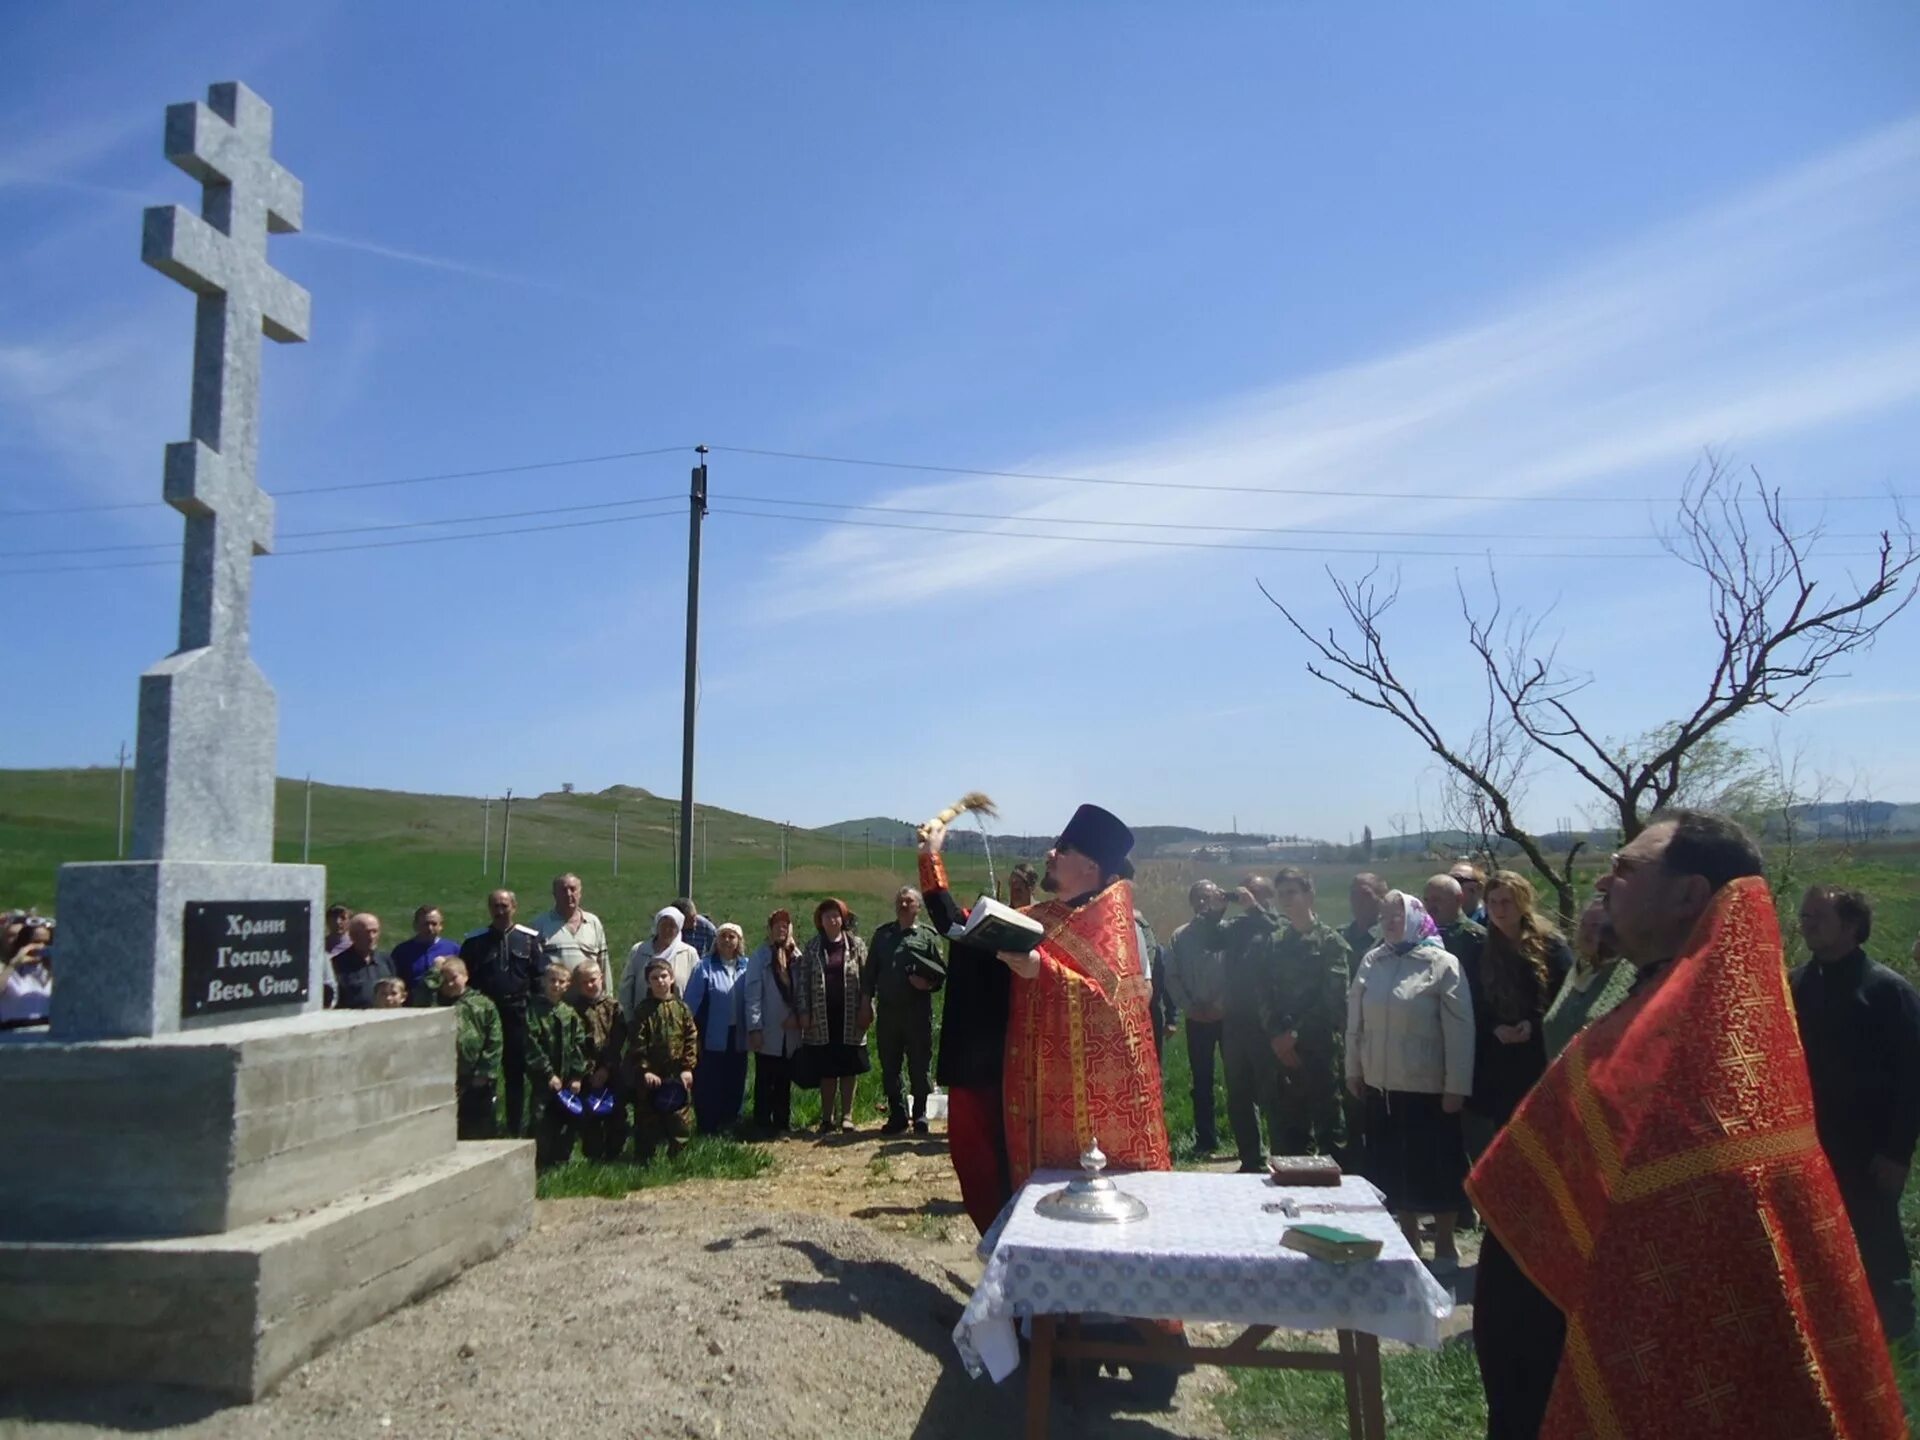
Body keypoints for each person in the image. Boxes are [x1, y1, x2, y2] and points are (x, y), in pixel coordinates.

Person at [1468, 811, 1904, 1440]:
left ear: (1689, 895)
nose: (1601, 883)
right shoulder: (1652, 1008)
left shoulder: (1708, 1053)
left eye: (1625, 867)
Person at [996, 804, 1171, 1187]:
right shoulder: (1043, 917)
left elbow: (1117, 1005)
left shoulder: (1122, 927)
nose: (1050, 854)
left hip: (1107, 1108)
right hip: (1044, 1092)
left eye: (1063, 848)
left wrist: (1041, 970)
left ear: (1090, 867)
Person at [1792, 883, 1920, 1342]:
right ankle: (1833, 1333)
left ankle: (1897, 1340)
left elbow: (1913, 1079)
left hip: (1869, 1150)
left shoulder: (1886, 991)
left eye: (1816, 917)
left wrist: (1896, 1152)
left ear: (1850, 927)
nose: (1805, 923)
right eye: (1804, 916)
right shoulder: (1795, 985)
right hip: (1810, 1145)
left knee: (1876, 1243)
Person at [1345, 891, 1472, 1266]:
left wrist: (1456, 1086)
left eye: (1396, 915)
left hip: (1428, 1087)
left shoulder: (1441, 964)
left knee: (1436, 1166)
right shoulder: (1373, 960)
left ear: (1416, 918)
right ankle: (1410, 1238)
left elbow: (1461, 1031)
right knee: (1393, 1168)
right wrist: (1354, 1068)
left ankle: (1446, 1243)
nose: (1388, 921)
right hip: (1382, 1084)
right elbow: (1356, 1021)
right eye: (1384, 915)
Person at [921, 825, 1028, 1233]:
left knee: (987, 1161)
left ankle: (1005, 1237)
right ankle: (1001, 1237)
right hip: (995, 1064)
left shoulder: (1029, 933)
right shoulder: (1007, 932)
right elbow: (946, 913)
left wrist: (930, 856)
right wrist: (929, 857)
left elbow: (944, 911)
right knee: (985, 1162)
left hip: (1002, 1066)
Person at [1461, 870, 1571, 1163]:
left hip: (1539, 1057)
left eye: (1507, 902)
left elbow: (1565, 995)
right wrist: (1494, 1028)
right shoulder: (1480, 948)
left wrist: (1534, 1025)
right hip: (1497, 1063)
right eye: (1493, 902)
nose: (1499, 910)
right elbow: (1472, 1001)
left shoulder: (1552, 946)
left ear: (1522, 902)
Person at [1261, 867, 1352, 1160]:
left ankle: (1334, 1200)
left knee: (1330, 1133)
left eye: (1293, 892)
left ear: (1309, 895)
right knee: (1288, 1134)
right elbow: (1263, 995)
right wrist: (1277, 1036)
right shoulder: (1274, 943)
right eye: (1281, 894)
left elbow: (1334, 999)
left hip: (1320, 1050)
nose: (1286, 900)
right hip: (1283, 1053)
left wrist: (1295, 1035)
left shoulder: (1330, 943)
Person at [459, 890, 547, 1137]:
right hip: (485, 1018)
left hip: (517, 1016)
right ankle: (482, 1126)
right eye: (495, 906)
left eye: (504, 906)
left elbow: (539, 979)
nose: (499, 911)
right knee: (483, 1073)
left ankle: (514, 1128)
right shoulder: (475, 943)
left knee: (515, 1074)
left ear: (514, 907)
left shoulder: (529, 940)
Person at [864, 886, 944, 1135]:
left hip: (917, 1012)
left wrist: (927, 984)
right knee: (890, 1065)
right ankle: (897, 1114)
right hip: (889, 1013)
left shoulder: (928, 937)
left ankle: (920, 1114)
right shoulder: (883, 936)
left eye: (909, 901)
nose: (904, 905)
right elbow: (869, 975)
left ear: (918, 907)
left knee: (919, 1065)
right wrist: (866, 1003)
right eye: (900, 901)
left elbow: (940, 974)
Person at [1219, 874, 1283, 1173]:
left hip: (1267, 1023)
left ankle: (1283, 1153)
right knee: (1239, 1094)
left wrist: (1255, 909)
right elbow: (1208, 938)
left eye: (1257, 893)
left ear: (1269, 897)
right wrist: (1217, 907)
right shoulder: (1237, 927)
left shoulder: (1278, 924)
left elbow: (1276, 931)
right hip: (1235, 1022)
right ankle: (1251, 1158)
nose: (1248, 897)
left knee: (1274, 1093)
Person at [793, 898, 872, 1133]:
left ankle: (847, 1116)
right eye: (827, 916)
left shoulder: (857, 945)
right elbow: (803, 982)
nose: (833, 920)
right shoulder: (812, 947)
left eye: (836, 915)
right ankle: (827, 1117)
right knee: (827, 1070)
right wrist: (804, 1012)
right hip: (821, 1018)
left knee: (849, 1067)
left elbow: (867, 980)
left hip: (850, 1015)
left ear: (843, 919)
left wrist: (867, 1008)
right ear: (821, 921)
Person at [1164, 881, 1229, 1156]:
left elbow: (1239, 970)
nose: (1203, 903)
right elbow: (1172, 975)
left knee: (1240, 1079)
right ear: (1192, 903)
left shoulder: (1228, 931)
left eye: (1208, 898)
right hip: (1196, 1017)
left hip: (1228, 1015)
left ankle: (1250, 1143)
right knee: (1201, 1080)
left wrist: (1222, 1004)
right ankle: (1206, 1140)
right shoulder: (1181, 936)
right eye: (1198, 899)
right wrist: (1188, 1007)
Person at [1540, 895, 1634, 1059]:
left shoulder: (1626, 975)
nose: (1587, 932)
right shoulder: (1578, 970)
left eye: (1596, 926)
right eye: (1584, 924)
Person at [626, 954, 698, 1162]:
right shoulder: (643, 1011)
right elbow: (636, 1043)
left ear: (672, 978)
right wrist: (645, 1069)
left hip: (677, 1074)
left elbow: (691, 1038)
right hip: (651, 1075)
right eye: (655, 978)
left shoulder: (682, 1008)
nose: (660, 981)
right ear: (648, 982)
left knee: (680, 1119)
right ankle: (645, 1159)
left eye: (664, 976)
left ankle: (679, 1159)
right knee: (647, 1119)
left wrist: (687, 1068)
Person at [684, 922, 753, 1135]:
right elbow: (691, 1005)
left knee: (735, 1078)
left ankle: (732, 1121)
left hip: (738, 1034)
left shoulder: (747, 966)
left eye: (732, 937)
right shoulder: (705, 967)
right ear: (716, 940)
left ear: (739, 942)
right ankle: (708, 1125)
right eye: (723, 936)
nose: (727, 941)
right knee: (710, 1080)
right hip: (712, 1034)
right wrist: (693, 1035)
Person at [745, 909, 804, 1136]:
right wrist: (755, 1027)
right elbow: (752, 995)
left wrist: (798, 1017)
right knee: (765, 1078)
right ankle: (761, 1123)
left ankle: (782, 1122)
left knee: (784, 1080)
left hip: (790, 1031)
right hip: (768, 1028)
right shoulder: (760, 957)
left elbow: (803, 990)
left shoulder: (797, 957)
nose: (781, 928)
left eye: (785, 925)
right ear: (769, 929)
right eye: (777, 925)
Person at [525, 962, 588, 1167]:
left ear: (567, 985)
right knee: (541, 1119)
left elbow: (579, 1045)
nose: (556, 985)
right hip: (544, 1080)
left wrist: (577, 1075)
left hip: (568, 1080)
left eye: (561, 982)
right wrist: (548, 1074)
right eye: (552, 980)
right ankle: (539, 1162)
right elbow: (531, 1044)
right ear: (544, 982)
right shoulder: (534, 1011)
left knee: (567, 1119)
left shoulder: (569, 1014)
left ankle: (562, 1159)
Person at [433, 957, 503, 1140]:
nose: (449, 984)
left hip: (476, 1075)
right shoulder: (435, 1003)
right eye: (444, 980)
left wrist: (485, 1071)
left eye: (454, 978)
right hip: (445, 1074)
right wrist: (434, 972)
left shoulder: (482, 1004)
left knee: (478, 1122)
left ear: (465, 976)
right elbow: (423, 991)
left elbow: (494, 1040)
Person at [567, 958, 629, 1161]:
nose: (590, 985)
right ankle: (593, 1155)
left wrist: (606, 1068)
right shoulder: (573, 1010)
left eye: (593, 980)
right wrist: (587, 1071)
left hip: (611, 1069)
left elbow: (618, 1039)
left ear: (601, 978)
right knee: (589, 1116)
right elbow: (573, 1044)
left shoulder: (613, 1007)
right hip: (587, 1071)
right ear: (577, 985)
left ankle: (615, 1152)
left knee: (617, 1113)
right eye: (585, 982)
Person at [535, 873, 610, 992]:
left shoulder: (593, 922)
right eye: (563, 890)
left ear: (580, 893)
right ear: (554, 894)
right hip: (555, 1002)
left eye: (573, 889)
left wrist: (607, 998)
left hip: (588, 1001)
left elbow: (604, 965)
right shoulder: (540, 924)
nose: (569, 894)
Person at [621, 907, 698, 1011]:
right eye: (663, 925)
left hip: (677, 1019)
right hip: (642, 1018)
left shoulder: (689, 953)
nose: (667, 929)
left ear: (679, 928)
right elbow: (626, 988)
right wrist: (628, 1019)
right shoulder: (639, 951)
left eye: (672, 925)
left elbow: (697, 991)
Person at [331, 912, 395, 1010]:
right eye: (366, 932)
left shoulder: (386, 960)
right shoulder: (337, 964)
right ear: (353, 935)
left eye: (375, 931)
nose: (371, 937)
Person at [1422, 874, 1485, 971]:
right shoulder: (1422, 937)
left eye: (1436, 900)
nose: (1430, 906)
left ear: (1459, 899)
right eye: (1426, 900)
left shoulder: (1477, 938)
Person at [0, 916, 53, 1030]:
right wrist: (13, 965)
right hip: (12, 1032)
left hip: (46, 1030)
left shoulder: (50, 971)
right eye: (36, 942)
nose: (41, 947)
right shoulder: (8, 970)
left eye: (46, 943)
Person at [390, 905, 459, 990]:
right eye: (426, 924)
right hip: (412, 1002)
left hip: (445, 1002)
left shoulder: (453, 949)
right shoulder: (402, 952)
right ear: (415, 925)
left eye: (434, 924)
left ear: (441, 926)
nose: (430, 928)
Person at [1138, 909, 1175, 1057]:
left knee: (1154, 1058)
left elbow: (1168, 983)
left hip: (1153, 1011)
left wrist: (1172, 1018)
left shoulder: (1157, 951)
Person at [1343, 872, 1386, 959]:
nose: (1358, 901)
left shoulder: (1387, 938)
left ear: (1381, 899)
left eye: (1365, 895)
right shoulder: (1340, 935)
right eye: (1354, 894)